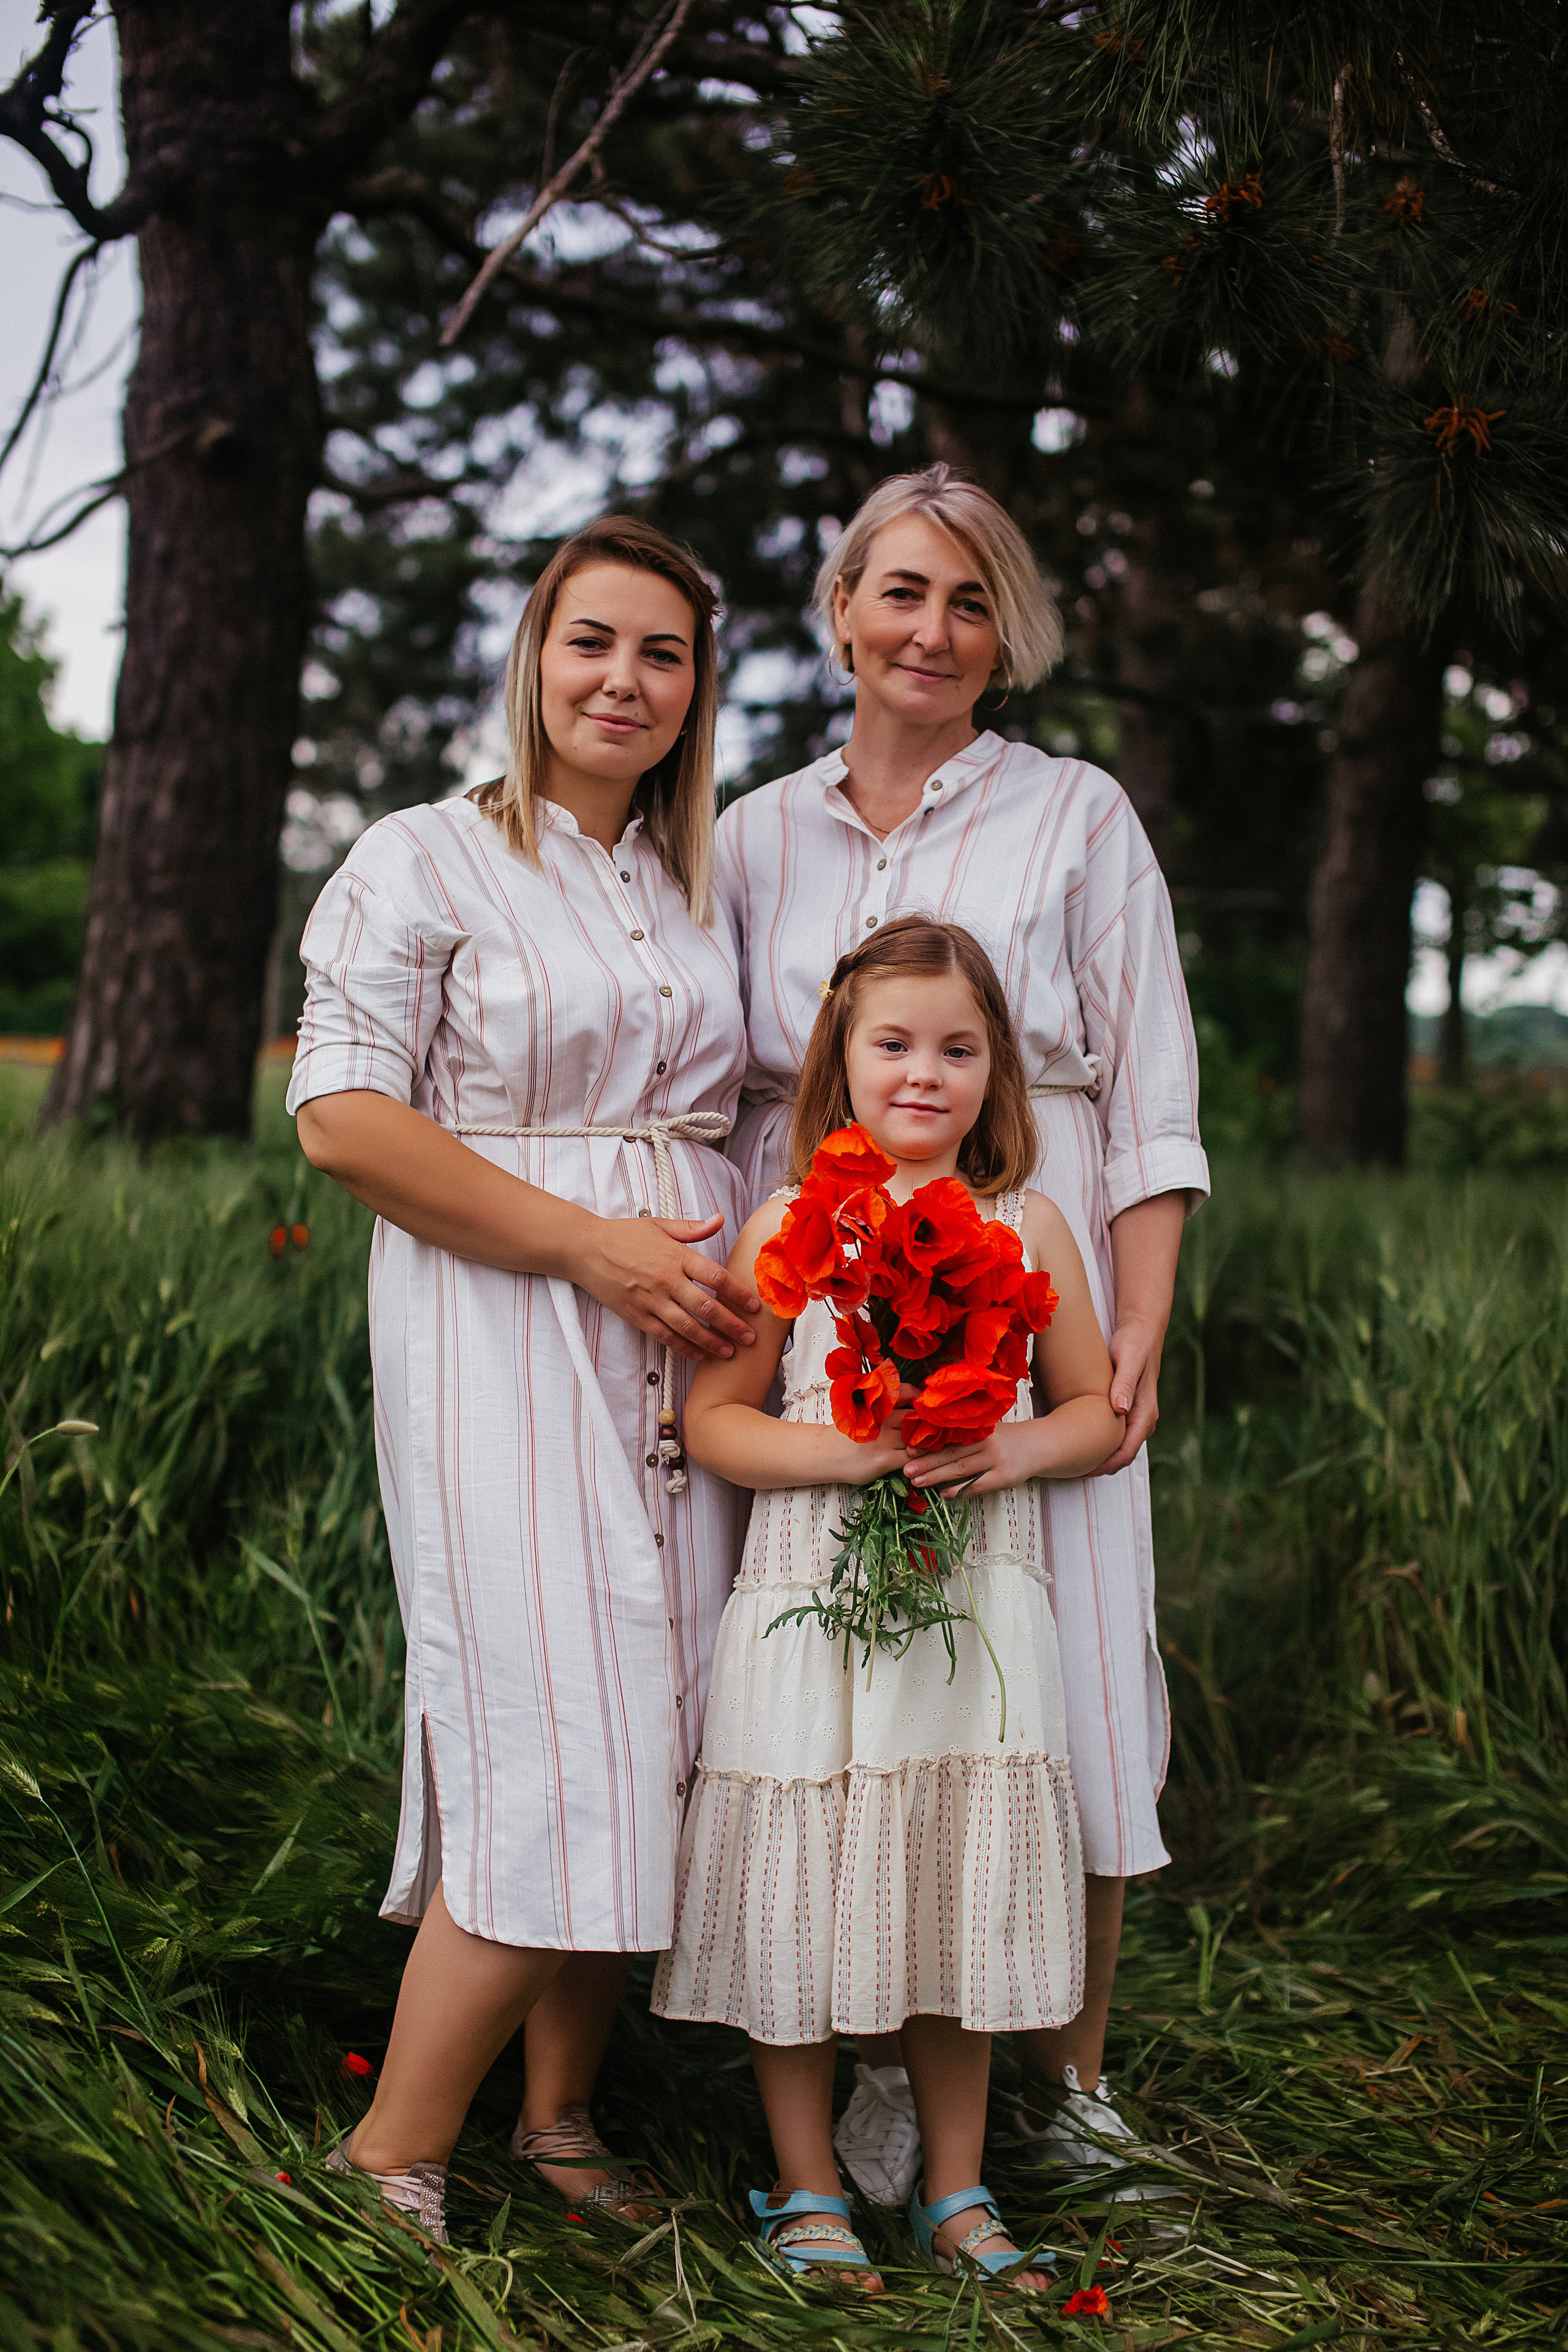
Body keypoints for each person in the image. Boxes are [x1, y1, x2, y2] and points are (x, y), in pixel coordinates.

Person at [715, 464, 1209, 2197]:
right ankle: (865, 2051)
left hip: (1033, 1236)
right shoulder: (754, 830)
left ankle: (1063, 2080)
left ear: (1010, 635)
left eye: (973, 600)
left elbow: (1150, 1085)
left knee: (1068, 1665)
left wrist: (1138, 1315)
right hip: (830, 1251)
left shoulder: (1076, 813)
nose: (932, 631)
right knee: (848, 1677)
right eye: (904, 591)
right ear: (842, 608)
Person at [289, 516, 757, 2245]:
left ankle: (558, 2122)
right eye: (592, 641)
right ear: (533, 657)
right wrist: (586, 1246)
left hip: (686, 1343)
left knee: (665, 1720)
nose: (624, 680)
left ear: (697, 687)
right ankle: (389, 2161)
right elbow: (343, 1118)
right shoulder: (421, 858)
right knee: (556, 1731)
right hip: (501, 1327)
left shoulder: (697, 885)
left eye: (663, 653)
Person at [653, 916, 1125, 2292]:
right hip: (812, 1596)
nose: (925, 1072)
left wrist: (1012, 1447)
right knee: (799, 1877)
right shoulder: (791, 1223)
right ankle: (807, 2186)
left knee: (950, 1878)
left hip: (968, 1612)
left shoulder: (1024, 1223)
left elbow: (1096, 1410)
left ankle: (957, 2191)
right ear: (841, 1060)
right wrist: (853, 1450)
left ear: (996, 1072)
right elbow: (716, 1420)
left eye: (958, 1049)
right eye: (895, 1043)